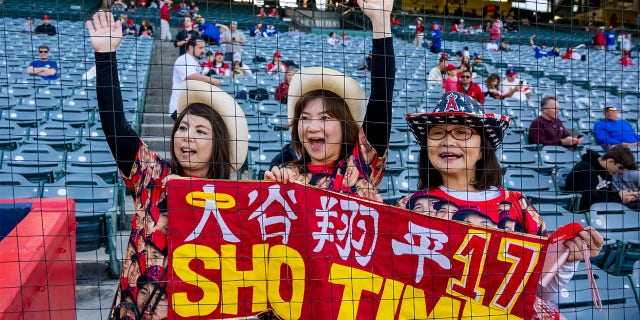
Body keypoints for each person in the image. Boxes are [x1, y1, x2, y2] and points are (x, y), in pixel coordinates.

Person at [86, 11, 248, 319]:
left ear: (218, 145)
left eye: (201, 132)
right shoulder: (152, 174)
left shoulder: (234, 200)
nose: (187, 138)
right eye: (183, 128)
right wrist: (106, 56)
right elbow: (115, 125)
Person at [403, 92, 604, 317]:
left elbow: (539, 292)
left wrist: (569, 260)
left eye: (462, 132)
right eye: (438, 133)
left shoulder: (519, 206)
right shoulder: (409, 208)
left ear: (482, 148)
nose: (448, 141)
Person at [264, 0, 395, 201]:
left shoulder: (361, 163)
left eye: (325, 118)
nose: (312, 127)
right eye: (305, 118)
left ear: (345, 125)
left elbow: (381, 95)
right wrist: (269, 191)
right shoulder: (285, 174)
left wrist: (381, 21)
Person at [566, 146, 639, 212]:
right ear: (611, 161)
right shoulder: (585, 168)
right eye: (620, 168)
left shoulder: (606, 170)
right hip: (586, 212)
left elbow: (604, 195)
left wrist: (624, 195)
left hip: (602, 209)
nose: (620, 172)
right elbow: (588, 202)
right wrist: (618, 198)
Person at [168, 36, 222, 119]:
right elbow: (190, 76)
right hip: (180, 107)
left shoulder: (196, 62)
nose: (203, 51)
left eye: (204, 48)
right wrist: (211, 80)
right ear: (190, 47)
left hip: (190, 106)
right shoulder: (183, 59)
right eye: (200, 48)